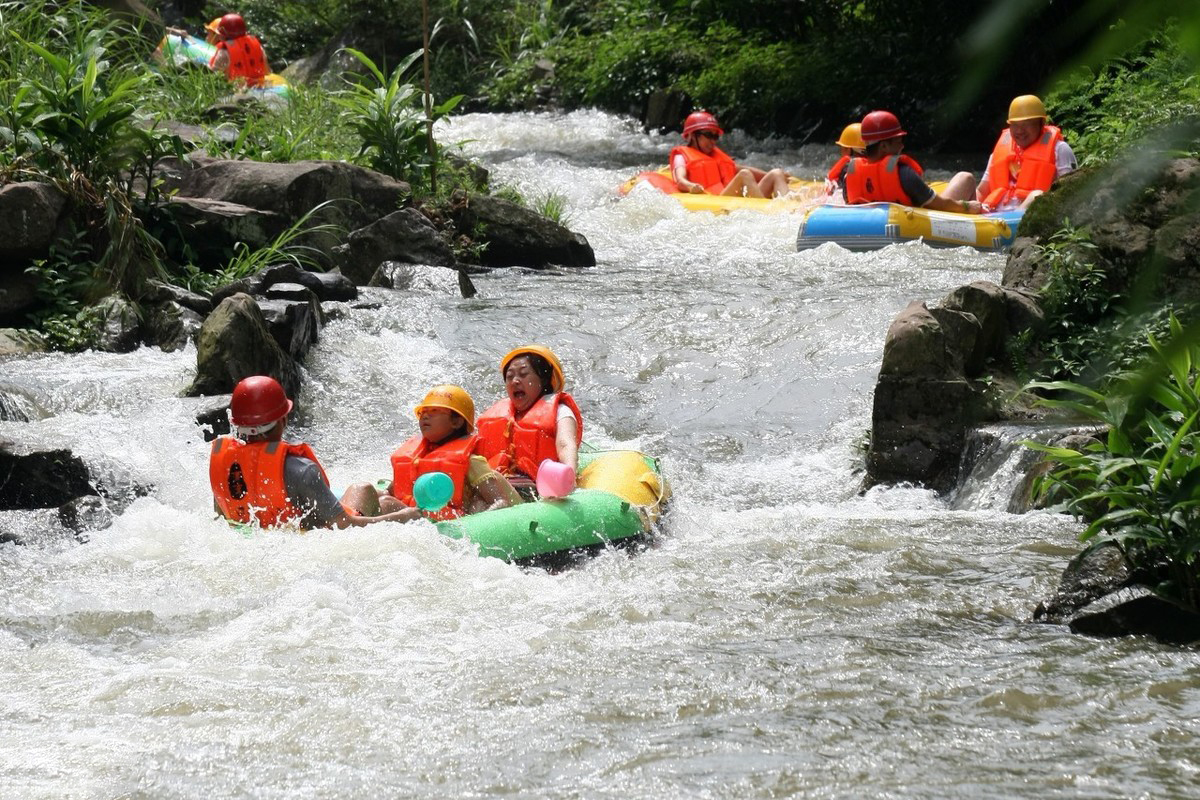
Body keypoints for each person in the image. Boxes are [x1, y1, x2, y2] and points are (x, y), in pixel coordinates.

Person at [209, 376, 420, 529]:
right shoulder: (300, 470)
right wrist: (405, 515)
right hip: (311, 535)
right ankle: (422, 514)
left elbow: (225, 517)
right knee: (367, 491)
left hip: (265, 536)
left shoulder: (223, 464)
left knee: (380, 495)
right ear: (283, 419)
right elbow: (345, 526)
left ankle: (388, 497)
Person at [380, 385, 522, 519]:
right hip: (418, 516)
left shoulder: (472, 462)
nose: (424, 416)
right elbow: (392, 492)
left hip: (454, 522)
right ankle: (359, 516)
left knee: (386, 503)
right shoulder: (418, 458)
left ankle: (361, 523)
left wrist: (476, 525)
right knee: (368, 490)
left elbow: (501, 502)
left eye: (434, 411)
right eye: (423, 412)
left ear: (457, 422)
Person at [476, 346, 583, 490]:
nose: (515, 381)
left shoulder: (561, 412)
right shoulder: (495, 416)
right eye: (509, 376)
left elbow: (565, 444)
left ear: (543, 380)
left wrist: (569, 476)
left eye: (523, 374)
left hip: (538, 488)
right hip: (499, 486)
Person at [843, 110, 984, 214]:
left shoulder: (848, 176)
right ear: (884, 146)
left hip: (871, 227)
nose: (902, 146)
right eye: (898, 141)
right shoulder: (903, 173)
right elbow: (940, 205)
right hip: (920, 224)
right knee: (966, 178)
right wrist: (967, 206)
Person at [976, 94, 1077, 211]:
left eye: (1027, 124)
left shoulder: (1060, 150)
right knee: (964, 178)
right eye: (1014, 125)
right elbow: (981, 191)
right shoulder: (999, 153)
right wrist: (973, 207)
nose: (1019, 131)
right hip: (992, 214)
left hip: (1029, 218)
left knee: (1036, 195)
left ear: (1042, 123)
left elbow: (1070, 193)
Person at [671, 111, 792, 199]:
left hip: (733, 196)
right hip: (716, 200)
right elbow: (680, 180)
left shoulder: (715, 156)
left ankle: (790, 210)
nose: (713, 141)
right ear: (692, 135)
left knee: (776, 173)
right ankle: (768, 214)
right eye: (709, 135)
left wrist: (777, 177)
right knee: (744, 175)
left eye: (715, 136)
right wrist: (691, 186)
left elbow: (738, 168)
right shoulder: (681, 156)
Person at [207, 12, 270, 88]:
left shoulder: (224, 53)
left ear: (223, 35)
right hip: (259, 88)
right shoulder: (258, 47)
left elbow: (213, 78)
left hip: (237, 93)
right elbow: (266, 71)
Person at [825, 122, 865, 196]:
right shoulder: (874, 164)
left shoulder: (847, 165)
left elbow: (830, 191)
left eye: (842, 148)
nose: (841, 152)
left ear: (849, 149)